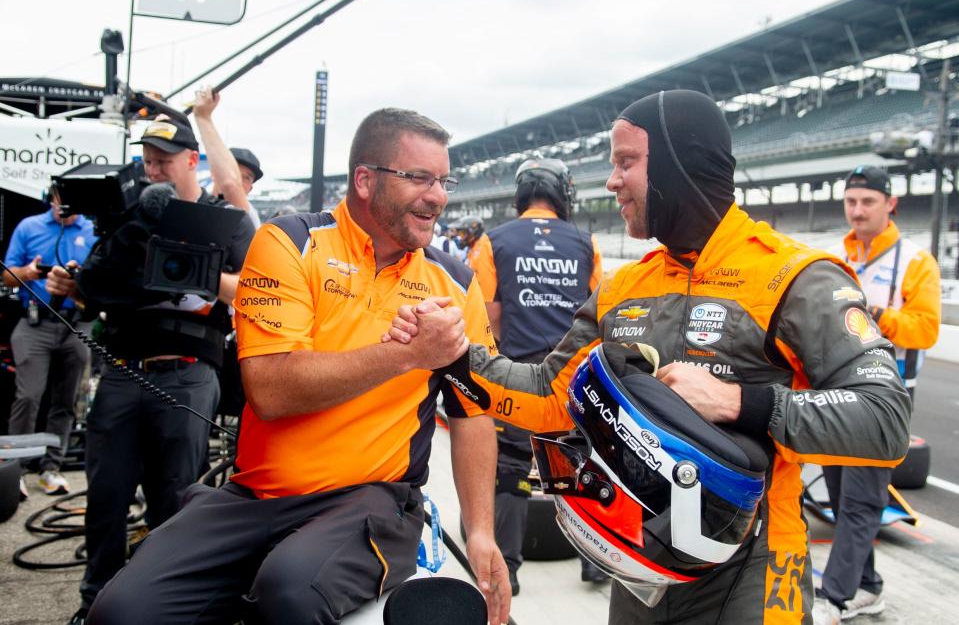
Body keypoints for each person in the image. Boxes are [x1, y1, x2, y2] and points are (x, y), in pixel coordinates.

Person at [387, 90, 911, 624]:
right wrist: (452, 356)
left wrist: (738, 401)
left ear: (678, 164)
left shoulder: (796, 278)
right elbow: (549, 395)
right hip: (638, 568)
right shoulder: (624, 288)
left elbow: (885, 421)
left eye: (626, 162)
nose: (612, 180)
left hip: (754, 570)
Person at [83, 108, 511, 625]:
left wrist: (481, 532)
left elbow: (472, 415)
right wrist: (408, 354)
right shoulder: (289, 242)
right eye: (419, 177)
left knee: (290, 590)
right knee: (119, 611)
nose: (438, 196)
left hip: (372, 500)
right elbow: (271, 389)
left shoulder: (456, 282)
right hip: (253, 496)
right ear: (365, 180)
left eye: (443, 180)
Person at [46, 113, 256, 625]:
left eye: (164, 159)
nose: (155, 168)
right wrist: (78, 283)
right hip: (121, 370)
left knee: (177, 497)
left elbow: (253, 287)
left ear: (190, 160)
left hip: (188, 374)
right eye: (148, 160)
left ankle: (165, 602)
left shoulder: (219, 217)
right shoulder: (127, 216)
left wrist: (202, 276)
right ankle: (94, 601)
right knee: (107, 495)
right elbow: (96, 290)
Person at [468, 157, 604, 594]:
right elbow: (598, 312)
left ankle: (506, 567)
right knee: (576, 467)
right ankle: (595, 565)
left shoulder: (493, 242)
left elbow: (486, 317)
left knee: (511, 472)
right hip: (573, 380)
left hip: (518, 377)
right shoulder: (587, 243)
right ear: (561, 192)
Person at [813, 166, 941, 624]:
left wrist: (874, 313)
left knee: (864, 499)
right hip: (833, 388)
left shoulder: (915, 260)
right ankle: (867, 586)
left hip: (885, 393)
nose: (858, 210)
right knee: (840, 495)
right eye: (851, 201)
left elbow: (925, 329)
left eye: (868, 201)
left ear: (891, 205)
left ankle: (837, 596)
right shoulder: (830, 257)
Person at [2, 184, 95, 496]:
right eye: (59, 199)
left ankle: (51, 469)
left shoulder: (93, 230)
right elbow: (6, 275)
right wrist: (28, 272)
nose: (64, 205)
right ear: (51, 198)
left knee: (66, 402)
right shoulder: (30, 226)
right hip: (35, 322)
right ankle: (15, 470)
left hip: (75, 324)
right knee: (28, 396)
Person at [192, 86, 263, 229]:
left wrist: (203, 117)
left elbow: (230, 185)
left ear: (250, 188)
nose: (239, 181)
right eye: (235, 172)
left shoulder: (250, 217)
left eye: (247, 178)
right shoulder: (195, 203)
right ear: (214, 172)